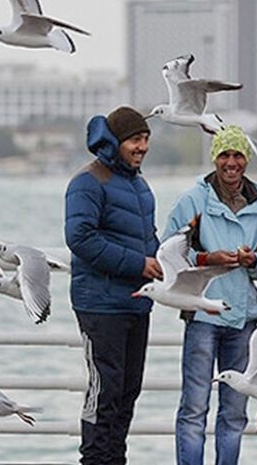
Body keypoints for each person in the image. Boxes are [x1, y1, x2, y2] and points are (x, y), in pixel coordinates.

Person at [163, 126, 257, 465]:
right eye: (224, 155)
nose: (231, 162)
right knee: (194, 408)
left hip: (243, 320)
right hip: (202, 317)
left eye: (238, 155)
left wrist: (251, 259)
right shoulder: (193, 201)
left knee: (234, 411)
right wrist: (206, 259)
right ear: (215, 158)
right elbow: (167, 251)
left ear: (246, 160)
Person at [65, 106, 162, 465]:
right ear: (117, 141)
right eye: (136, 139)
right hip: (100, 305)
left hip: (137, 302)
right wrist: (139, 264)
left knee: (127, 391)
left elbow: (146, 237)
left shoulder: (138, 182)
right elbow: (80, 237)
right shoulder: (88, 181)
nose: (143, 147)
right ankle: (93, 460)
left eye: (146, 139)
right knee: (104, 392)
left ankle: (114, 460)